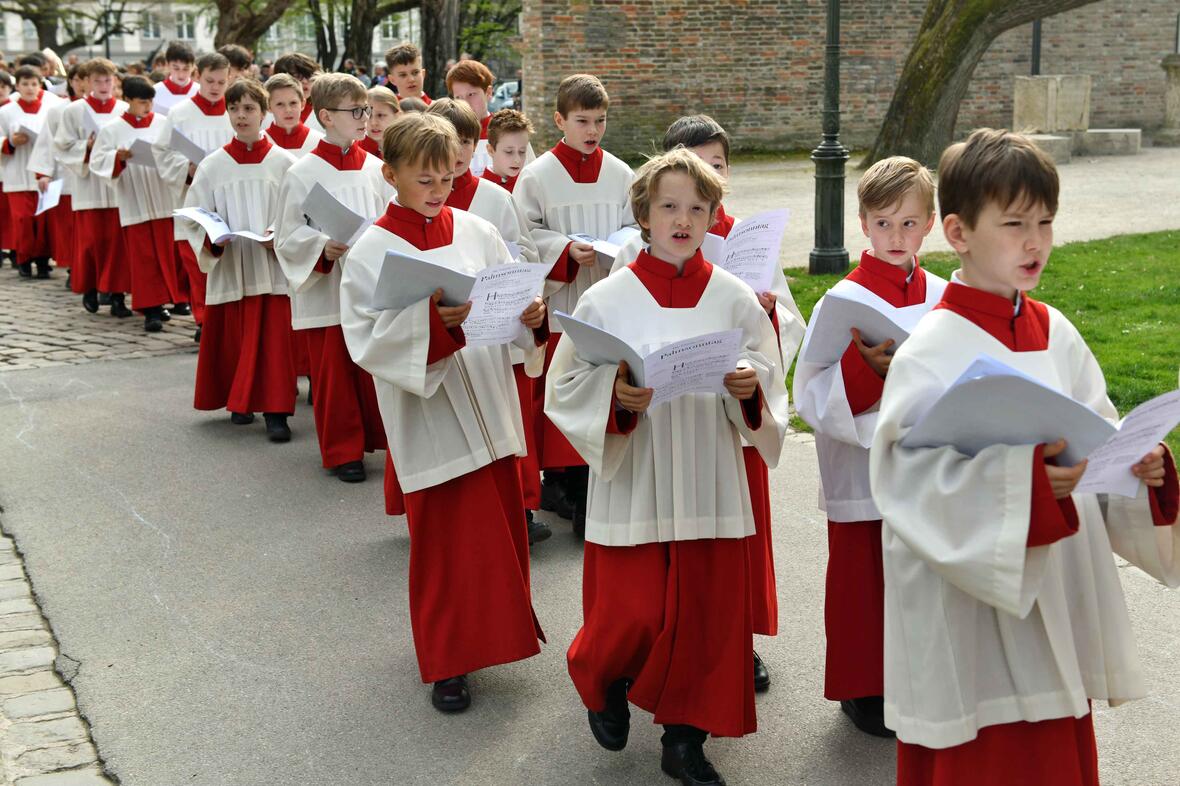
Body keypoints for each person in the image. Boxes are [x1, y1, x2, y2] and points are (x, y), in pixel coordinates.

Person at [870, 128, 1179, 785]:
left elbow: (1098, 433)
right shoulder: (930, 349)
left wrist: (1139, 469)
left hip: (1055, 596)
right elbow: (904, 479)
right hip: (971, 616)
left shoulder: (1057, 332)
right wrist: (1028, 487)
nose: (1034, 240)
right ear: (957, 232)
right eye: (1013, 223)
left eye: (1045, 222)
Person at [544, 148, 789, 786]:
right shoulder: (608, 298)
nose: (683, 219)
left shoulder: (736, 299)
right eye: (669, 206)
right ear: (644, 217)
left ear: (713, 217)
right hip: (639, 476)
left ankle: (685, 740)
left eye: (697, 208)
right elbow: (565, 382)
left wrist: (749, 390)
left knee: (708, 617)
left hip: (710, 473)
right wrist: (615, 400)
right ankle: (599, 679)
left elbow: (768, 378)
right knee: (632, 610)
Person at [340, 112, 547, 714]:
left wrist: (529, 317)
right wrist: (432, 325)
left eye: (446, 176)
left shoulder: (479, 230)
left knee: (498, 539)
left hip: (488, 399)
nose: (437, 189)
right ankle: (447, 663)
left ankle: (498, 637)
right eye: (423, 179)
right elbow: (367, 341)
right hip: (428, 419)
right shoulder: (372, 249)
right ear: (391, 175)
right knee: (444, 547)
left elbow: (510, 303)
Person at [612, 113, 807, 693]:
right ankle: (662, 646)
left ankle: (736, 642)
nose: (689, 211)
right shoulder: (634, 254)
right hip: (664, 419)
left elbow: (786, 326)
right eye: (696, 166)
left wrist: (769, 312)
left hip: (732, 420)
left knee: (733, 546)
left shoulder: (748, 242)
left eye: (717, 167)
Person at [793, 155, 944, 737]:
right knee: (863, 579)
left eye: (908, 223)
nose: (896, 236)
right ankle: (864, 689)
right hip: (864, 464)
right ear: (862, 221)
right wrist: (865, 367)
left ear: (929, 223)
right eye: (884, 223)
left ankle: (917, 677)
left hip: (927, 463)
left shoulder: (944, 295)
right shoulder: (842, 300)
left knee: (922, 575)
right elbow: (809, 392)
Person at [514, 73, 637, 535]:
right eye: (582, 120)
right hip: (563, 298)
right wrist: (564, 250)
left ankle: (584, 485)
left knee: (597, 388)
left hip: (604, 298)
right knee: (561, 387)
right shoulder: (537, 175)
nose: (592, 130)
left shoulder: (621, 173)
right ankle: (560, 481)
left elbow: (633, 228)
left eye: (600, 120)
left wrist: (615, 247)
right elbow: (524, 235)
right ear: (559, 119)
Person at [425, 97, 548, 544]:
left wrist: (519, 288)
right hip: (451, 332)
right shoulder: (417, 199)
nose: (456, 153)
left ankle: (521, 506)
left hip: (496, 329)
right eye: (447, 141)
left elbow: (527, 253)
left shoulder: (495, 199)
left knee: (510, 420)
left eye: (464, 141)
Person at [273, 73, 388, 483]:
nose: (365, 119)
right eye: (355, 111)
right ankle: (343, 451)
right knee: (334, 374)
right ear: (325, 116)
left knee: (370, 367)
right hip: (327, 288)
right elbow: (287, 235)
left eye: (367, 111)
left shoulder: (377, 169)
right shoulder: (301, 173)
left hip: (369, 286)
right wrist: (321, 247)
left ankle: (378, 438)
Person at [181, 78, 297, 442]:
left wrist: (279, 235)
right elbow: (195, 214)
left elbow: (297, 213)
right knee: (236, 333)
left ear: (264, 114)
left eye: (249, 109)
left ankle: (277, 411)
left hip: (270, 264)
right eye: (234, 109)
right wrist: (212, 239)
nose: (240, 116)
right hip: (231, 264)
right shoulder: (213, 165)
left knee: (275, 340)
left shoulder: (285, 163)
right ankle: (240, 399)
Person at [89, 75, 188, 332]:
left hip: (163, 195)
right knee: (144, 258)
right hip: (135, 199)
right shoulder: (112, 129)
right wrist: (117, 158)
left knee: (168, 253)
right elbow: (98, 161)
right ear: (128, 100)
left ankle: (173, 299)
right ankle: (151, 309)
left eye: (150, 103)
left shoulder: (164, 124)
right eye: (142, 103)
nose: (148, 108)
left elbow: (177, 152)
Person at [154, 52, 235, 340]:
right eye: (210, 80)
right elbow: (161, 151)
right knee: (197, 259)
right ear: (198, 77)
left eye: (221, 82)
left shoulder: (235, 111)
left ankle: (227, 319)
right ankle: (203, 320)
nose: (215, 87)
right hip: (192, 196)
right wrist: (186, 167)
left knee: (227, 259)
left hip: (230, 198)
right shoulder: (180, 113)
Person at [53, 58, 130, 315]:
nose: (103, 85)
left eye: (108, 80)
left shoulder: (123, 109)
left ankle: (118, 295)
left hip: (118, 186)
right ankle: (90, 288)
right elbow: (62, 146)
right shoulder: (74, 111)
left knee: (118, 246)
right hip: (89, 186)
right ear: (87, 83)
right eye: (97, 80)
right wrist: (85, 147)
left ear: (115, 81)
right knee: (92, 243)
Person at [0, 64, 62, 278]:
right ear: (17, 86)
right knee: (24, 221)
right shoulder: (6, 111)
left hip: (44, 173)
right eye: (24, 84)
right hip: (17, 173)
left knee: (44, 221)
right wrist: (10, 142)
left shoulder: (50, 110)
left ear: (40, 85)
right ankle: (24, 259)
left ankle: (43, 261)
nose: (29, 88)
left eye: (33, 84)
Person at [28, 63, 85, 284]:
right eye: (78, 79)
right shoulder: (58, 110)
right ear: (71, 82)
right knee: (68, 229)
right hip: (66, 177)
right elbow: (47, 143)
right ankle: (73, 267)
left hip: (93, 178)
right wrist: (44, 172)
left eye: (85, 79)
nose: (82, 85)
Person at [263, 73, 322, 156]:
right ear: (268, 107)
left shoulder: (319, 142)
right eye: (280, 104)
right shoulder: (258, 141)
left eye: (293, 103)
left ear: (302, 104)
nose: (288, 110)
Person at [271, 53, 324, 134]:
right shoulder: (264, 112)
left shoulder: (325, 109)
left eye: (308, 75)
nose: (305, 81)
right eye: (297, 76)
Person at [482, 109, 532, 193]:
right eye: (509, 152)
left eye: (522, 151)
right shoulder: (479, 189)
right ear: (490, 150)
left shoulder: (530, 187)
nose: (517, 160)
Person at [152, 41, 198, 115]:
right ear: (167, 65)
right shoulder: (154, 92)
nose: (181, 74)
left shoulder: (201, 92)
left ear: (193, 66)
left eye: (186, 69)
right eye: (176, 68)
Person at [358, 85, 399, 158]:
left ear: (397, 116)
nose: (374, 123)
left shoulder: (408, 149)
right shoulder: (355, 150)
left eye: (380, 115)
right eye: (368, 115)